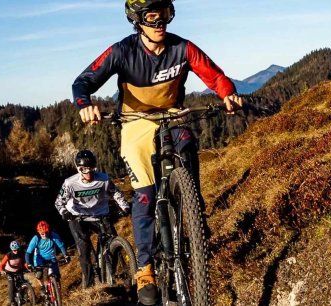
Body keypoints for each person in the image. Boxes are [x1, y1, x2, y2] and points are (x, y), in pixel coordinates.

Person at [70, 0, 244, 304]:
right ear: (137, 21)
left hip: (174, 114)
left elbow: (213, 75)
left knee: (187, 144)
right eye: (152, 17)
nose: (160, 22)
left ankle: (192, 209)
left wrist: (228, 93)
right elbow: (83, 81)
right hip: (136, 123)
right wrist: (85, 105)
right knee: (145, 194)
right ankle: (146, 268)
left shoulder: (183, 48)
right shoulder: (122, 51)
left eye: (164, 15)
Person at [54, 149, 130, 288]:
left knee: (111, 239)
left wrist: (125, 207)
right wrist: (65, 212)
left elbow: (116, 193)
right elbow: (59, 202)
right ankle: (88, 285)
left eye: (91, 168)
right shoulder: (70, 183)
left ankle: (110, 275)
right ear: (78, 168)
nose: (88, 172)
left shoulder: (104, 179)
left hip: (100, 215)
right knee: (84, 246)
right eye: (83, 169)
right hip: (77, 217)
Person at [0, 240, 28, 306]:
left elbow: (24, 262)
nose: (16, 251)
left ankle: (23, 297)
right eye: (14, 250)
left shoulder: (21, 253)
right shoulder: (8, 255)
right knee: (11, 284)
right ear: (12, 250)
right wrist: (1, 271)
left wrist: (27, 267)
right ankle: (12, 301)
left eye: (17, 249)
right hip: (9, 272)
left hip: (18, 270)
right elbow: (1, 265)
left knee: (22, 282)